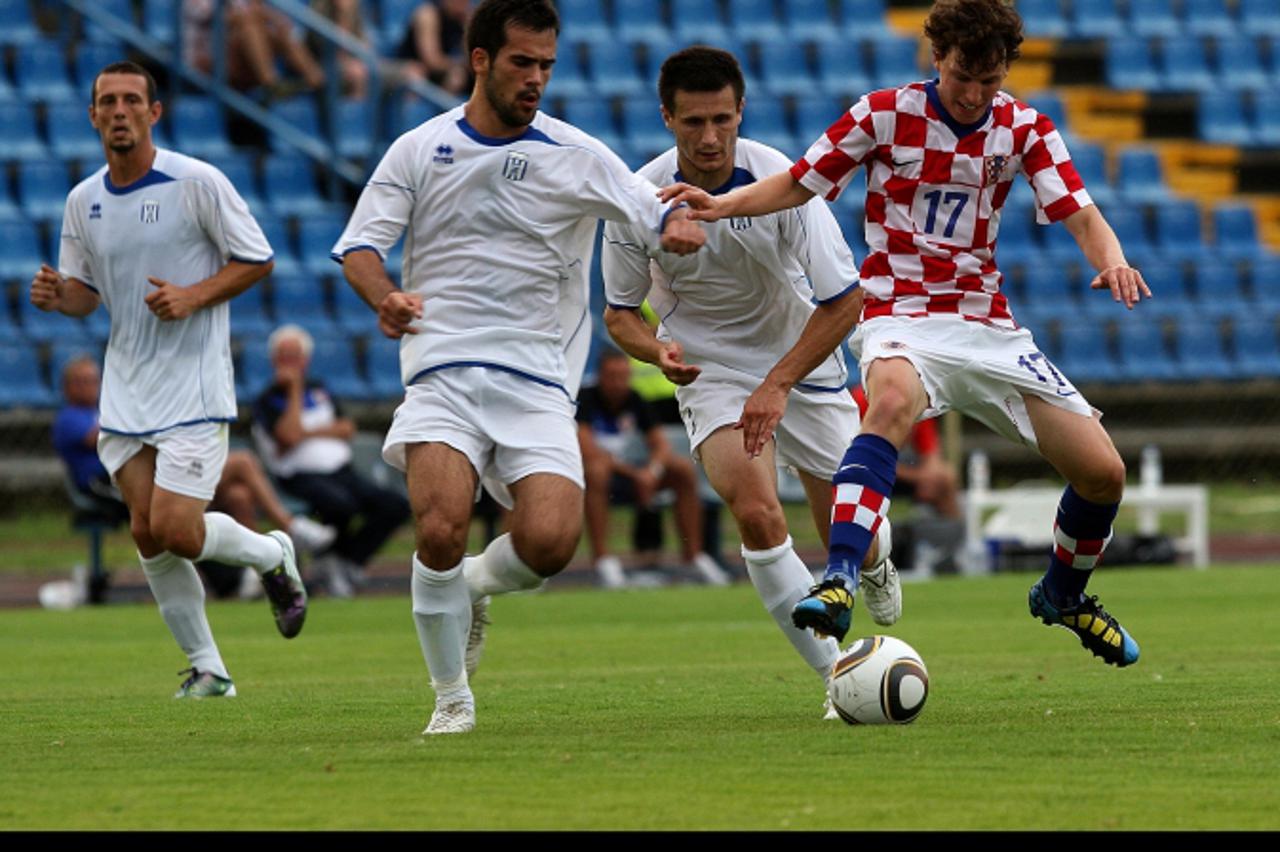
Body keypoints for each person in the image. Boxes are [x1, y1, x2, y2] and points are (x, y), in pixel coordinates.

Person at [663, 0, 1149, 667]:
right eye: (961, 79)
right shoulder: (883, 114)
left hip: (987, 324)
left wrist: (1114, 261)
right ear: (936, 59)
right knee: (888, 404)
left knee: (1103, 474)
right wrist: (721, 204)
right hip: (899, 309)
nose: (975, 96)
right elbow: (800, 183)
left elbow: (1082, 215)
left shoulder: (1025, 128)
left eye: (991, 81)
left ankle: (1064, 593)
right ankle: (838, 578)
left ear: (1007, 71)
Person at [332, 0, 705, 735]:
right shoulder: (418, 148)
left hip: (537, 378)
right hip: (441, 369)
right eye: (521, 63)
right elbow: (360, 247)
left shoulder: (576, 153)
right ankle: (450, 699)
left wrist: (676, 223)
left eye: (546, 66)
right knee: (438, 527)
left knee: (548, 544)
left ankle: (473, 588)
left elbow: (645, 206)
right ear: (480, 60)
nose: (536, 79)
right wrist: (386, 295)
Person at [602, 46, 898, 718]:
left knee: (856, 535)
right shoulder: (637, 199)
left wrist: (779, 382)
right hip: (713, 372)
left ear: (742, 114)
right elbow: (619, 315)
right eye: (693, 123)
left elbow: (844, 300)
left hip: (804, 356)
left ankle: (874, 565)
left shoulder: (785, 183)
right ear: (667, 118)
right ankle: (837, 676)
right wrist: (659, 353)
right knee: (758, 513)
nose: (709, 138)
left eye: (722, 120)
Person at [29, 61, 309, 700]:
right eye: (108, 101)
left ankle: (273, 556)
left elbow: (257, 258)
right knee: (147, 530)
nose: (120, 110)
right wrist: (58, 296)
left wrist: (193, 295)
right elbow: (86, 295)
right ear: (94, 116)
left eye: (132, 100)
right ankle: (209, 668)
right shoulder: (84, 200)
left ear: (155, 113)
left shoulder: (197, 182)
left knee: (180, 528)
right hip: (126, 388)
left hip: (193, 385)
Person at [54, 355, 337, 600]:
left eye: (93, 379)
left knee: (239, 495)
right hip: (110, 486)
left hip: (148, 475)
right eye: (81, 380)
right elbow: (113, 438)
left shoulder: (104, 410)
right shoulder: (70, 417)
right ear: (67, 387)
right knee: (242, 463)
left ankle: (251, 575)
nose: (90, 385)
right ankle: (289, 528)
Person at [251, 324, 411, 598]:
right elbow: (288, 436)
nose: (290, 362)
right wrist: (294, 390)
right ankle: (334, 566)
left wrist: (308, 432)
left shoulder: (320, 390)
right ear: (274, 359)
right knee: (340, 506)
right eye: (284, 355)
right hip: (298, 476)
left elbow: (346, 428)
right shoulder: (268, 400)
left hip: (341, 472)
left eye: (295, 355)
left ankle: (348, 561)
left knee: (395, 506)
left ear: (306, 359)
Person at [577, 348, 729, 589]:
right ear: (601, 375)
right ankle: (603, 560)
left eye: (623, 376)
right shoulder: (585, 399)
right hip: (595, 478)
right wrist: (636, 474)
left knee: (682, 470)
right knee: (597, 470)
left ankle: (694, 556)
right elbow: (587, 449)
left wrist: (652, 472)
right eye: (612, 376)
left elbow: (660, 444)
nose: (618, 383)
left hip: (632, 477)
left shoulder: (635, 399)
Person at [852, 385, 960, 520]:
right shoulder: (862, 401)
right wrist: (918, 477)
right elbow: (861, 459)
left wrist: (929, 478)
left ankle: (951, 535)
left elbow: (932, 454)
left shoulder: (916, 402)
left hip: (899, 466)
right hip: (864, 467)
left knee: (945, 477)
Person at [183, 0, 326, 97]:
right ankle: (271, 84)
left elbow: (255, 11)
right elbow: (219, 17)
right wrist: (258, 14)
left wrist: (273, 17)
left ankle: (317, 80)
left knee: (278, 31)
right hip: (204, 60)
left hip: (239, 60)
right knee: (249, 25)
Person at [395, 0, 474, 96]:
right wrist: (458, 66)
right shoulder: (428, 14)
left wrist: (468, 27)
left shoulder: (464, 19)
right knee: (456, 76)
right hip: (415, 68)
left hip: (442, 71)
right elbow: (432, 61)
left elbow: (471, 60)